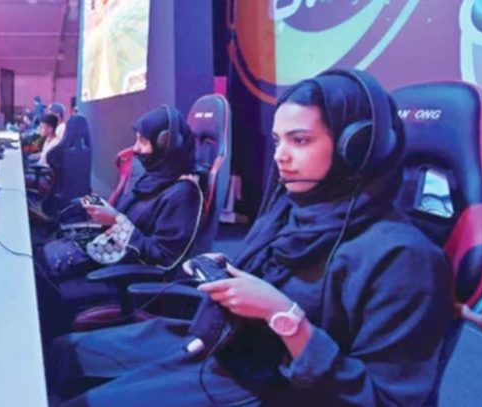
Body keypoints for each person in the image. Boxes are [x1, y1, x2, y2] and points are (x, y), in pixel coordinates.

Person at [46, 70, 455, 406]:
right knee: (61, 354)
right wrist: (230, 277)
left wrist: (284, 316)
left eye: (300, 140)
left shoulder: (403, 258)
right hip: (231, 348)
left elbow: (385, 399)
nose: (280, 156)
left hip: (282, 389)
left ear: (357, 148)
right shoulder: (292, 209)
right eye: (278, 140)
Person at [35, 106, 203, 341]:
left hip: (128, 277)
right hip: (109, 252)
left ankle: (45, 352)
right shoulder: (153, 179)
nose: (136, 148)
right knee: (37, 257)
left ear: (166, 144)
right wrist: (106, 212)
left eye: (143, 142)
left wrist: (115, 219)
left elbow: (164, 259)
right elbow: (130, 223)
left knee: (39, 280)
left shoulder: (183, 194)